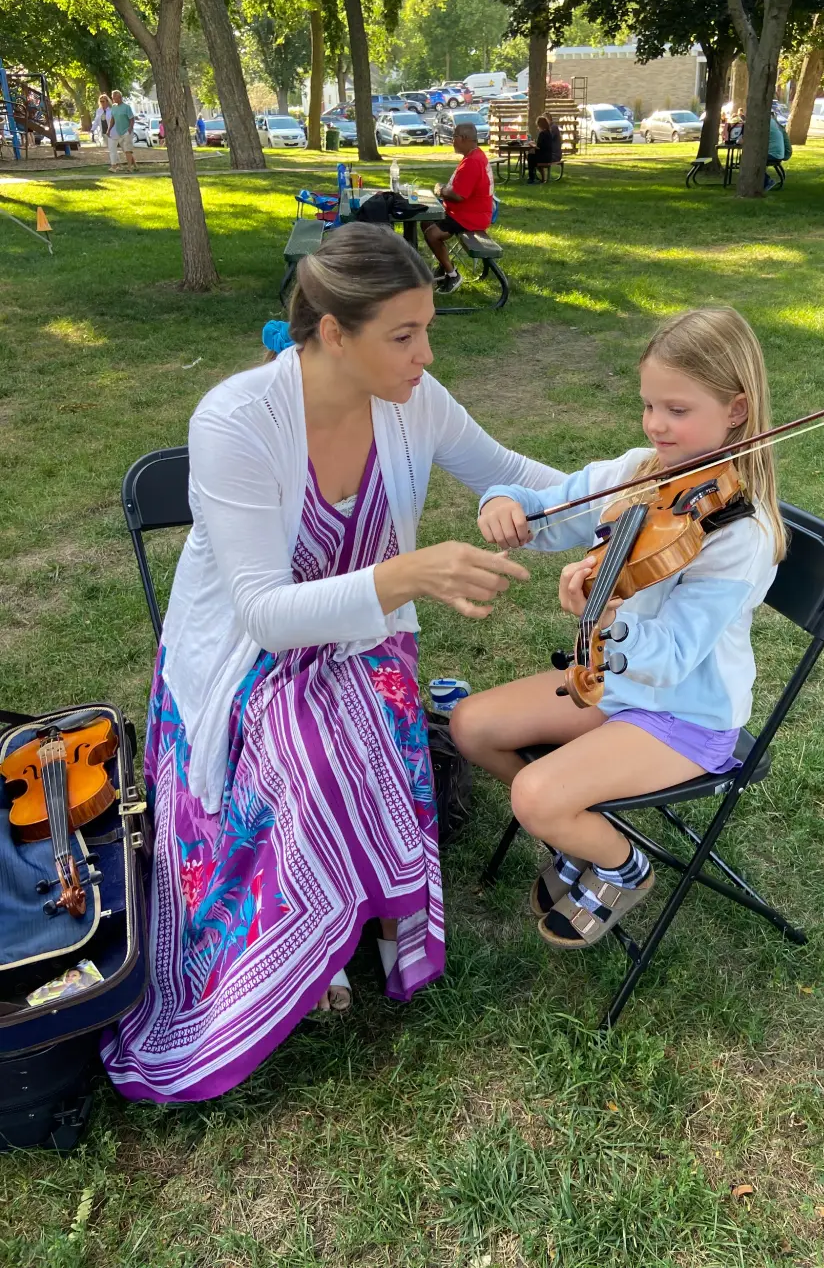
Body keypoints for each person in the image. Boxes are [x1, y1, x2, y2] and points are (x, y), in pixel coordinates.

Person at [100, 225, 564, 1103]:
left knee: (361, 731)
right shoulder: (236, 419)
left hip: (360, 639)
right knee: (305, 755)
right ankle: (303, 952)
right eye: (405, 335)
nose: (426, 356)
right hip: (247, 655)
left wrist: (627, 498)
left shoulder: (413, 400)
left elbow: (510, 472)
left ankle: (358, 921)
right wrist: (406, 575)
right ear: (332, 333)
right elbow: (263, 614)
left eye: (428, 330)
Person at [451, 307, 786, 950]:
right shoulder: (640, 473)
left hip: (685, 716)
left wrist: (609, 622)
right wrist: (506, 503)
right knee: (470, 725)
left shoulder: (741, 535)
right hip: (615, 686)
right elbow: (552, 506)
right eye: (649, 405)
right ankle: (578, 834)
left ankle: (621, 866)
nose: (656, 424)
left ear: (737, 409)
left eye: (677, 410)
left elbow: (674, 658)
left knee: (535, 794)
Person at [422, 121, 494, 296]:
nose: (452, 141)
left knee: (432, 234)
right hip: (464, 212)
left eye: (454, 137)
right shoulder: (473, 156)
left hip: (470, 216)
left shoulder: (473, 161)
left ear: (463, 138)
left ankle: (452, 274)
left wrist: (440, 190)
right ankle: (444, 266)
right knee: (425, 221)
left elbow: (458, 195)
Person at [108, 89, 137, 173]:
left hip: (127, 131)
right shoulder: (114, 107)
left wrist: (130, 129)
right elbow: (112, 119)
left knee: (127, 150)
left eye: (115, 98)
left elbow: (132, 119)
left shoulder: (126, 107)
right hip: (119, 132)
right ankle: (135, 165)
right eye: (113, 98)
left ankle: (129, 168)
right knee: (125, 150)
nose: (113, 99)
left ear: (120, 97)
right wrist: (109, 129)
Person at [526, 115, 553, 184]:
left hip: (543, 157)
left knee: (530, 157)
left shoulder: (542, 133)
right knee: (532, 157)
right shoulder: (549, 132)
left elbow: (538, 147)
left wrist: (532, 145)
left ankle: (531, 177)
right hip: (548, 156)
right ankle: (538, 177)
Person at [95, 93, 115, 168]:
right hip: (104, 132)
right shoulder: (99, 110)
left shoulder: (111, 109)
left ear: (107, 101)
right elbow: (96, 121)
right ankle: (117, 164)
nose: (102, 103)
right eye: (100, 101)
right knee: (111, 149)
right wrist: (92, 129)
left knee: (112, 149)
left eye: (103, 101)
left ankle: (114, 165)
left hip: (112, 132)